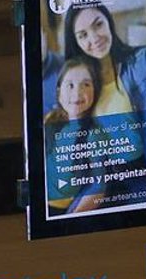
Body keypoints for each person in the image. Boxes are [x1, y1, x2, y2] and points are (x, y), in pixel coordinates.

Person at [60, 0, 146, 200]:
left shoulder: (142, 60)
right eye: (83, 35)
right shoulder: (76, 82)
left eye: (98, 25)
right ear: (75, 42)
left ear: (108, 22)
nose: (94, 38)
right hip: (98, 183)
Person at [43, 55, 109, 215]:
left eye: (86, 84)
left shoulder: (93, 134)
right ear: (59, 91)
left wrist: (71, 217)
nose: (77, 92)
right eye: (70, 85)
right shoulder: (50, 120)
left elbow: (98, 186)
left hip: (60, 209)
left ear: (95, 91)